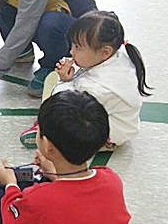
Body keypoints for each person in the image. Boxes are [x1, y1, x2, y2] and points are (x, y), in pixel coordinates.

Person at [0, 90, 131, 224]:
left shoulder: (40, 199)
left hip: (39, 212)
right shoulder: (111, 179)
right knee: (40, 185)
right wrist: (54, 173)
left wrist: (10, 183)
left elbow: (13, 221)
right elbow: (77, 200)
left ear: (48, 145)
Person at [20, 11, 152, 151]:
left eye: (78, 47)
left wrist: (65, 81)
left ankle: (49, 134)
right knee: (53, 79)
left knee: (55, 92)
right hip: (113, 122)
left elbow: (70, 104)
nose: (71, 51)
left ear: (105, 52)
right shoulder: (116, 54)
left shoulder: (99, 88)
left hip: (102, 136)